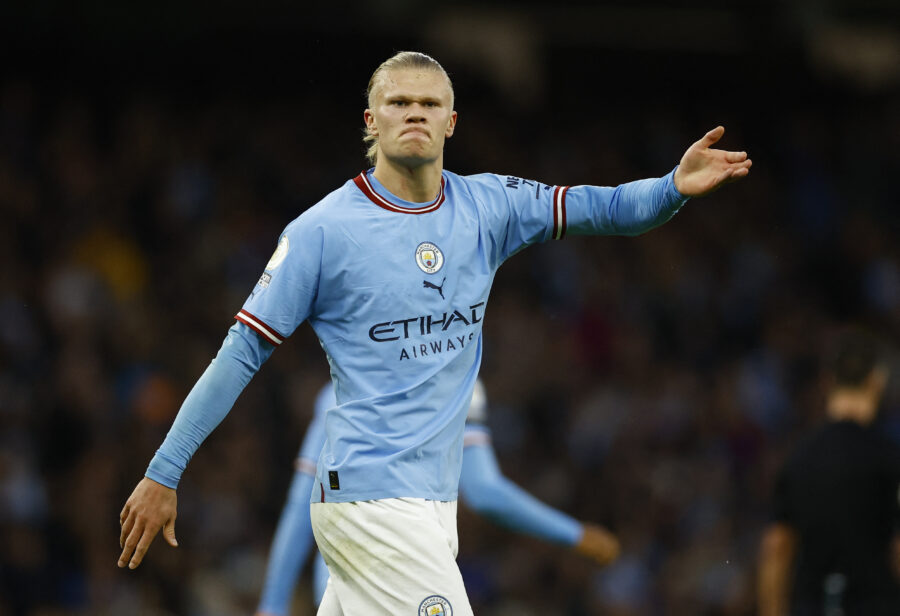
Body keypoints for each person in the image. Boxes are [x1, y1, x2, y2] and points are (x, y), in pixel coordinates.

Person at [119, 51, 751, 614]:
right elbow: (241, 352)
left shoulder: (489, 206)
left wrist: (672, 187)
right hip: (374, 503)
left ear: (451, 122)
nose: (414, 113)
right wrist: (164, 472)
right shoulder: (321, 232)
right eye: (398, 102)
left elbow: (607, 208)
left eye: (429, 103)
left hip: (426, 508)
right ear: (371, 121)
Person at [255, 380, 620, 615]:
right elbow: (485, 492)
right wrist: (572, 533)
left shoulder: (347, 381)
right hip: (412, 568)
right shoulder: (459, 380)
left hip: (349, 575)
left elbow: (302, 502)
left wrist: (273, 604)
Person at [757, 329, 900, 616]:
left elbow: (777, 546)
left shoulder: (800, 458)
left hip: (812, 606)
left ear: (829, 381)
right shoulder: (887, 457)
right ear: (876, 381)